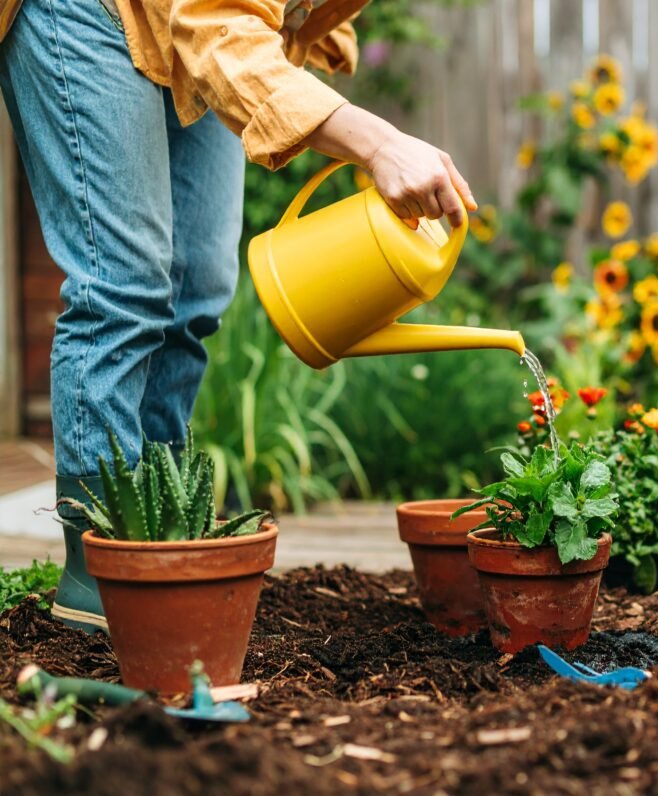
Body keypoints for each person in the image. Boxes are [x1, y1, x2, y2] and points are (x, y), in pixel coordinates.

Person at [0, 0, 477, 633]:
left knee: (197, 289)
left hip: (188, 18)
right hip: (85, 12)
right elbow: (215, 23)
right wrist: (380, 143)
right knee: (124, 285)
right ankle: (99, 555)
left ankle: (159, 528)